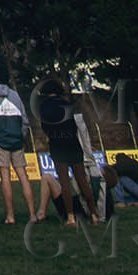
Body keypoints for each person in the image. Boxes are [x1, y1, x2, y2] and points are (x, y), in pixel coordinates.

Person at [0, 65, 36, 225]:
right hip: (16, 139)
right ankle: (32, 214)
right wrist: (20, 135)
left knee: (5, 177)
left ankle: (11, 216)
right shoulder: (15, 94)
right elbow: (24, 119)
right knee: (23, 175)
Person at [36, 80, 96, 226]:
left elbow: (45, 126)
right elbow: (74, 125)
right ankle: (94, 214)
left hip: (58, 145)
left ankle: (70, 217)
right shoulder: (67, 104)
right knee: (82, 180)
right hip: (73, 143)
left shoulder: (44, 106)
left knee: (64, 182)